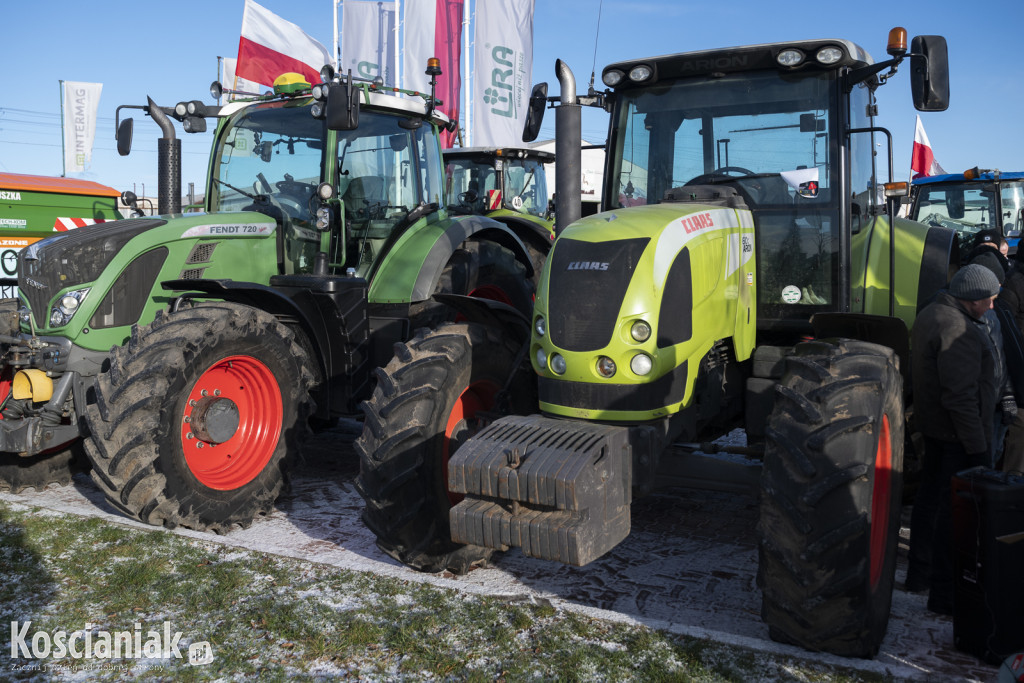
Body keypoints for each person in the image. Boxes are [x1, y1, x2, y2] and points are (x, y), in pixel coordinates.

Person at [907, 263, 1001, 615]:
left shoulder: (934, 312)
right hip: (957, 437)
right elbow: (960, 397)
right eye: (988, 300)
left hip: (936, 431)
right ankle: (944, 594)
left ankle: (920, 574)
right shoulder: (956, 326)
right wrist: (978, 447)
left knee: (929, 502)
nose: (991, 306)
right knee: (951, 518)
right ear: (972, 298)